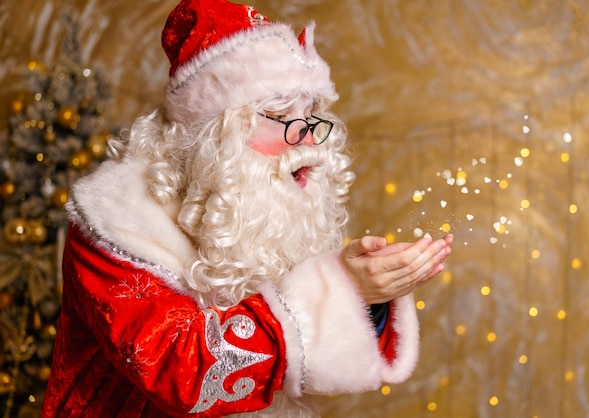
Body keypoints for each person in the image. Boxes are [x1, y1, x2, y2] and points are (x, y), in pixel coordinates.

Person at [41, 0, 454, 416]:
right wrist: (340, 284)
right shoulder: (116, 225)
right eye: (277, 114)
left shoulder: (264, 208)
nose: (306, 141)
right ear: (213, 136)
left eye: (310, 116)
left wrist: (365, 294)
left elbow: (307, 361)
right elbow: (180, 370)